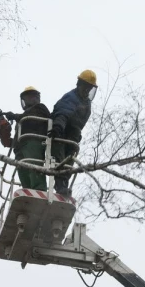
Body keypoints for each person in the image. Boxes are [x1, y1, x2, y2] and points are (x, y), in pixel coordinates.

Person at [47, 69, 98, 197]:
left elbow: (80, 122)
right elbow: (63, 113)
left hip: (72, 135)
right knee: (60, 157)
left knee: (70, 159)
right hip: (60, 132)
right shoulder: (71, 97)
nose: (86, 91)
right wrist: (58, 127)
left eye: (89, 88)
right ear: (79, 85)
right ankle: (60, 185)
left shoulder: (86, 103)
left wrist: (77, 133)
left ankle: (63, 183)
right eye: (85, 87)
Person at [2, 86, 51, 191]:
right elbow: (17, 138)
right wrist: (6, 139)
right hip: (20, 148)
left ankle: (39, 189)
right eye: (26, 98)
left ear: (36, 97)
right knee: (23, 171)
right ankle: (28, 191)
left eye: (31, 97)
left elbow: (29, 118)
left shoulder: (40, 108)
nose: (29, 100)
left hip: (33, 142)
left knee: (34, 167)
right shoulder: (22, 118)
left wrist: (14, 116)